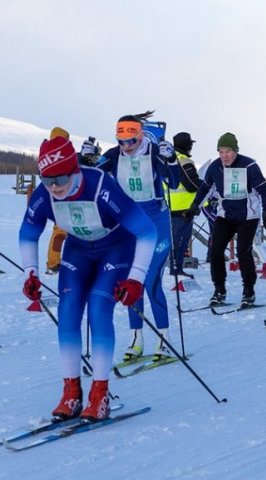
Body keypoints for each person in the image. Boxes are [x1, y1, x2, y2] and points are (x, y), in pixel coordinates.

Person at [19, 131, 157, 421]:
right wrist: (30, 273)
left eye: (60, 179)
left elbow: (147, 232)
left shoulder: (101, 186)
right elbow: (28, 233)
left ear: (74, 170)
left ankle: (99, 394)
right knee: (68, 311)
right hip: (78, 251)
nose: (54, 187)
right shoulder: (45, 193)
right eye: (47, 180)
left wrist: (136, 278)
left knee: (97, 309)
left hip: (115, 249)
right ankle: (71, 394)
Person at [93, 112, 180, 362]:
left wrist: (171, 159)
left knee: (151, 278)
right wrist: (84, 158)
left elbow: (173, 184)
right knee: (131, 282)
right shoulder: (112, 155)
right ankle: (137, 338)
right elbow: (89, 176)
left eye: (131, 142)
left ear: (140, 136)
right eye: (121, 142)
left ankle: (164, 339)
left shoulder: (154, 152)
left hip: (156, 221)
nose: (126, 147)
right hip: (129, 222)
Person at [184, 132, 266, 307]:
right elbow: (205, 189)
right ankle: (219, 291)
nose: (224, 156)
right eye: (221, 152)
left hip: (248, 216)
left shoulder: (249, 165)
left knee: (243, 251)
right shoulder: (216, 167)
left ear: (236, 151)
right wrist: (194, 207)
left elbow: (264, 191)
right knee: (215, 250)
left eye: (228, 152)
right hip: (225, 214)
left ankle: (249, 292)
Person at [45, 132, 103, 275]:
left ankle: (62, 263)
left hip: (77, 203)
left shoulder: (56, 155)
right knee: (60, 233)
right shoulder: (53, 157)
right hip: (63, 204)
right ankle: (54, 264)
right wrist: (83, 157)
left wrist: (90, 158)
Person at [168, 132, 200, 278]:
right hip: (183, 208)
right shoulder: (183, 160)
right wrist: (205, 185)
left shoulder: (167, 158)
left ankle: (175, 266)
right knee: (180, 240)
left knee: (174, 240)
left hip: (169, 206)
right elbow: (192, 184)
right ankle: (177, 268)